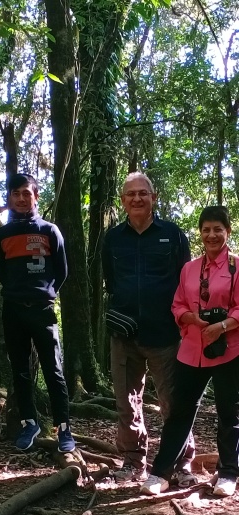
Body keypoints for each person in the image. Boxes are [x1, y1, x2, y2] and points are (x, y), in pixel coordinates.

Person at [141, 206, 239, 497]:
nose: (211, 235)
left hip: (228, 349)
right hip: (192, 348)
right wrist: (190, 318)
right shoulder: (189, 268)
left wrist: (221, 326)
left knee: (228, 413)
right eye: (206, 229)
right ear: (200, 233)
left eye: (217, 229)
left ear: (227, 232)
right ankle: (160, 473)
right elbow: (178, 304)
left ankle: (229, 473)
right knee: (180, 411)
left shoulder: (236, 266)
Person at [102, 172, 193, 483]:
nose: (137, 198)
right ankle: (132, 463)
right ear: (123, 201)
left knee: (173, 401)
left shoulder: (173, 234)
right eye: (131, 194)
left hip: (165, 334)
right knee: (126, 402)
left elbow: (187, 281)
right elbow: (111, 281)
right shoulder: (113, 238)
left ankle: (179, 464)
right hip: (123, 334)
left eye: (143, 193)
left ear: (154, 198)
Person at [0, 173, 75, 453]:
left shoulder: (50, 231)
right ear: (10, 198)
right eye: (16, 193)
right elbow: (3, 273)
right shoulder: (2, 234)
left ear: (36, 196)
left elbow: (62, 271)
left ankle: (64, 427)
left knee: (54, 369)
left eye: (26, 193)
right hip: (13, 310)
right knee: (20, 370)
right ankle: (30, 423)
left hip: (42, 310)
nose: (21, 198)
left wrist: (44, 293)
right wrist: (19, 292)